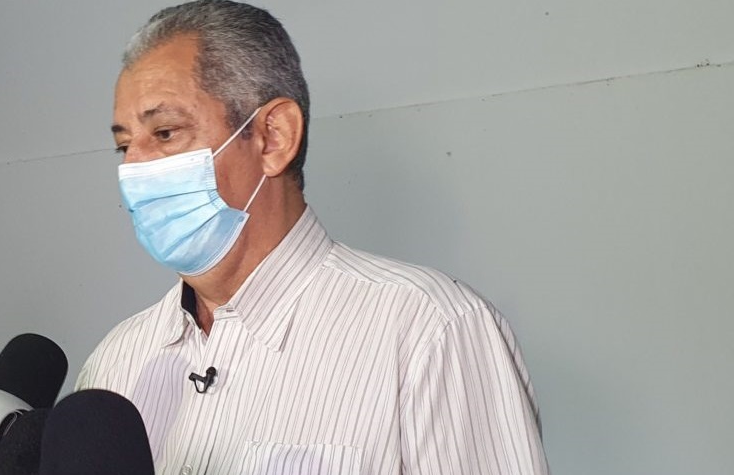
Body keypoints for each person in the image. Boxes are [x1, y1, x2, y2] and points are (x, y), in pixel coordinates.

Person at [77, 1, 549, 473]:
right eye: (124, 145)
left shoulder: (427, 331)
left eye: (165, 133)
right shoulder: (116, 361)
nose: (133, 169)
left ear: (274, 137)